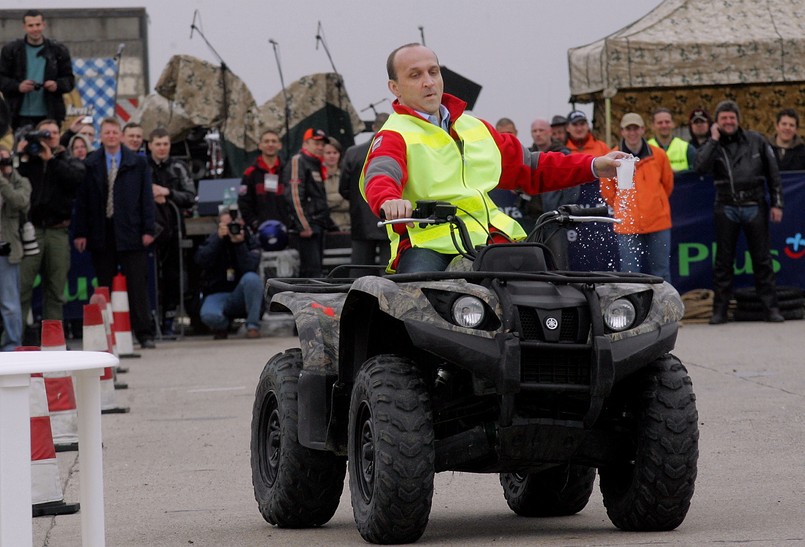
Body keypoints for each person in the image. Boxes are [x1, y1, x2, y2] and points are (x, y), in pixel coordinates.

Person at [361, 44, 625, 273]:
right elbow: (382, 173)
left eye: (433, 71)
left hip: (493, 239)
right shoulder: (395, 133)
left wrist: (593, 165)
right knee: (414, 301)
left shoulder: (475, 126)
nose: (428, 82)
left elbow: (532, 167)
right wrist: (389, 200)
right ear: (394, 87)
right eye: (415, 75)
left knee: (546, 293)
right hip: (430, 245)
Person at [694, 100, 785, 324]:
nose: (728, 121)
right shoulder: (712, 144)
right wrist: (713, 140)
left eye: (731, 117)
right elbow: (700, 167)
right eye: (724, 118)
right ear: (717, 122)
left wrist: (777, 203)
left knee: (763, 260)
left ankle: (771, 309)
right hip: (726, 206)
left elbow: (774, 175)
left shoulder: (757, 140)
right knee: (723, 261)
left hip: (755, 204)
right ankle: (719, 311)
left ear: (738, 119)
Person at [73, 117, 157, 348]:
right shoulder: (91, 163)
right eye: (107, 132)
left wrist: (148, 229)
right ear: (101, 136)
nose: (111, 136)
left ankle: (144, 333)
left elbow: (146, 199)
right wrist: (80, 232)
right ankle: (105, 332)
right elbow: (82, 202)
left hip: (131, 229)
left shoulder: (137, 163)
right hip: (102, 231)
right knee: (104, 285)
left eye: (114, 132)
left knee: (137, 285)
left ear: (120, 135)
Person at [16, 119, 85, 329]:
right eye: (45, 133)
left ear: (60, 136)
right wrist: (22, 157)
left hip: (57, 231)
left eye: (54, 133)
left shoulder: (67, 159)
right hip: (32, 230)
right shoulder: (30, 160)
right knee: (23, 287)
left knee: (56, 289)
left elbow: (75, 179)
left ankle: (53, 341)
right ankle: (14, 341)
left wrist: (51, 159)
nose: (50, 137)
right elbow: (15, 182)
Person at [601, 113, 674, 282]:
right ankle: (633, 309)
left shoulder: (659, 155)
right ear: (622, 132)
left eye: (636, 128)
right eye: (628, 129)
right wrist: (625, 208)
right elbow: (607, 191)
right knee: (630, 276)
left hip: (658, 222)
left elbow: (667, 184)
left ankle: (664, 308)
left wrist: (656, 204)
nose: (632, 132)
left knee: (661, 274)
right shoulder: (612, 158)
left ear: (642, 130)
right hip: (627, 226)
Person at [148, 127, 196, 336]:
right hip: (150, 231)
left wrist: (167, 192)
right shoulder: (142, 166)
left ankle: (169, 319)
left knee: (173, 278)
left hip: (174, 231)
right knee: (151, 277)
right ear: (150, 145)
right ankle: (152, 320)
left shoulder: (179, 166)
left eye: (165, 144)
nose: (162, 148)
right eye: (158, 144)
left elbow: (190, 196)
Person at [0, 10, 75, 130]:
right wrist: (18, 86)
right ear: (24, 27)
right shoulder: (11, 50)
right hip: (19, 115)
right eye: (31, 25)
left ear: (44, 25)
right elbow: (2, 79)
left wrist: (56, 85)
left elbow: (69, 81)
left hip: (51, 114)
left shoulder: (58, 50)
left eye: (38, 25)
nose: (35, 29)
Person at [194, 208, 262, 339]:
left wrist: (239, 244)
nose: (231, 229)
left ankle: (253, 326)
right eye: (226, 225)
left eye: (233, 225)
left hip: (241, 292)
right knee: (209, 316)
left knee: (252, 279)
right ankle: (223, 326)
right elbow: (201, 261)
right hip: (218, 293)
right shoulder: (214, 239)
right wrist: (218, 239)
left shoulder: (249, 240)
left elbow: (250, 267)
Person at [523, 118, 579, 269]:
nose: (538, 134)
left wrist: (562, 209)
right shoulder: (526, 155)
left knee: (558, 262)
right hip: (531, 219)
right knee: (532, 263)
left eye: (541, 130)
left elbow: (573, 186)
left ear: (550, 132)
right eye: (535, 131)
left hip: (554, 219)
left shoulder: (562, 154)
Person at [339, 113, 390, 275]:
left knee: (359, 272)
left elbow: (343, 189)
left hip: (361, 220)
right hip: (389, 218)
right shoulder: (400, 151)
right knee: (389, 272)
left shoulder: (353, 153)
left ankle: (356, 299)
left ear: (373, 128)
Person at [282, 128, 333, 278]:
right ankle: (309, 302)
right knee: (312, 274)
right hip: (307, 227)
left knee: (318, 272)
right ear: (305, 144)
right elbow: (294, 194)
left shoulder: (316, 164)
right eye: (316, 143)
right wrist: (303, 225)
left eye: (322, 144)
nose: (320, 147)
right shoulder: (298, 161)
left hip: (318, 224)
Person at [0, 145, 32, 350]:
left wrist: (3, 180)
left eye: (5, 160)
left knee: (10, 303)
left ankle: (12, 346)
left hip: (7, 248)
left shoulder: (20, 182)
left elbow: (20, 201)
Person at [238, 129, 288, 233]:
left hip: (287, 229)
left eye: (274, 141)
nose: (270, 144)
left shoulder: (289, 171)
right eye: (266, 141)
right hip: (260, 232)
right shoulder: (250, 173)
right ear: (260, 146)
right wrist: (255, 223)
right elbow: (244, 203)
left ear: (280, 145)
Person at [647, 107, 696, 172]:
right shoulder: (645, 148)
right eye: (660, 123)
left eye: (667, 122)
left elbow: (695, 174)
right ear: (652, 126)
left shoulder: (687, 148)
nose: (664, 125)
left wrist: (677, 174)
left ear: (673, 124)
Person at [323, 137, 349, 231]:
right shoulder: (317, 175)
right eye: (328, 153)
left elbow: (351, 202)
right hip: (328, 226)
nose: (332, 156)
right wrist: (341, 197)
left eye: (335, 153)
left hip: (348, 224)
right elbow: (322, 203)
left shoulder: (346, 174)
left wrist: (331, 199)